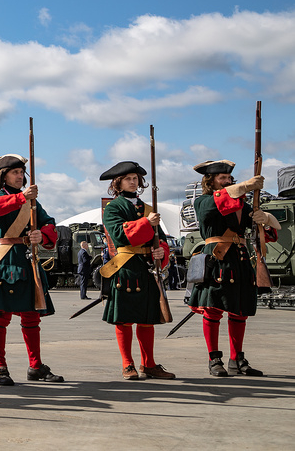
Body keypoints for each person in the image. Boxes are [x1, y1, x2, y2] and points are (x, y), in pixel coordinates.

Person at [188, 160, 279, 376]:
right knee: (213, 311)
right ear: (210, 181)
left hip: (239, 260)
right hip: (217, 260)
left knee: (240, 311)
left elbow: (267, 233)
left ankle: (237, 359)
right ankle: (214, 359)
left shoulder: (243, 205)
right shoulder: (203, 201)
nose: (227, 181)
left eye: (229, 178)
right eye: (222, 178)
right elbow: (222, 202)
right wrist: (247, 186)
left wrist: (265, 219)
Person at [0, 154, 64, 386]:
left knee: (31, 316)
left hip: (29, 261)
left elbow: (49, 222)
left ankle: (35, 366)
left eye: (21, 173)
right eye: (15, 173)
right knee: (0, 317)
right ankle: (0, 367)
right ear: (3, 176)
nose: (20, 176)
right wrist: (21, 199)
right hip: (6, 261)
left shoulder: (32, 202)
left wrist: (42, 234)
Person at [99, 161, 176, 381]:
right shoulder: (113, 207)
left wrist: (160, 251)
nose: (133, 182)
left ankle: (149, 365)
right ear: (118, 183)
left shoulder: (148, 209)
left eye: (135, 178)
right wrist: (145, 223)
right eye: (128, 179)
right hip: (125, 266)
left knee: (147, 319)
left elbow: (159, 239)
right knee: (123, 320)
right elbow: (119, 235)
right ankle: (127, 364)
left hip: (146, 267)